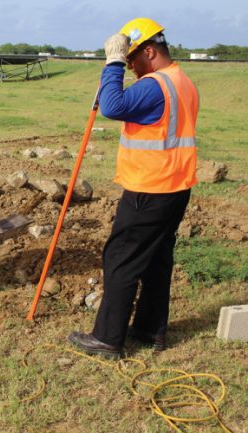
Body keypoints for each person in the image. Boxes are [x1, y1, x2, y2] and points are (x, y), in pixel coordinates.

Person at [68, 18, 198, 358]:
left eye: (132, 57)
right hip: (175, 186)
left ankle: (107, 339)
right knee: (156, 259)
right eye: (124, 59)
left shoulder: (156, 84)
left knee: (121, 258)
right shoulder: (182, 82)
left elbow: (112, 106)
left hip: (149, 188)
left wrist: (111, 64)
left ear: (150, 52)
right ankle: (149, 330)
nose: (129, 64)